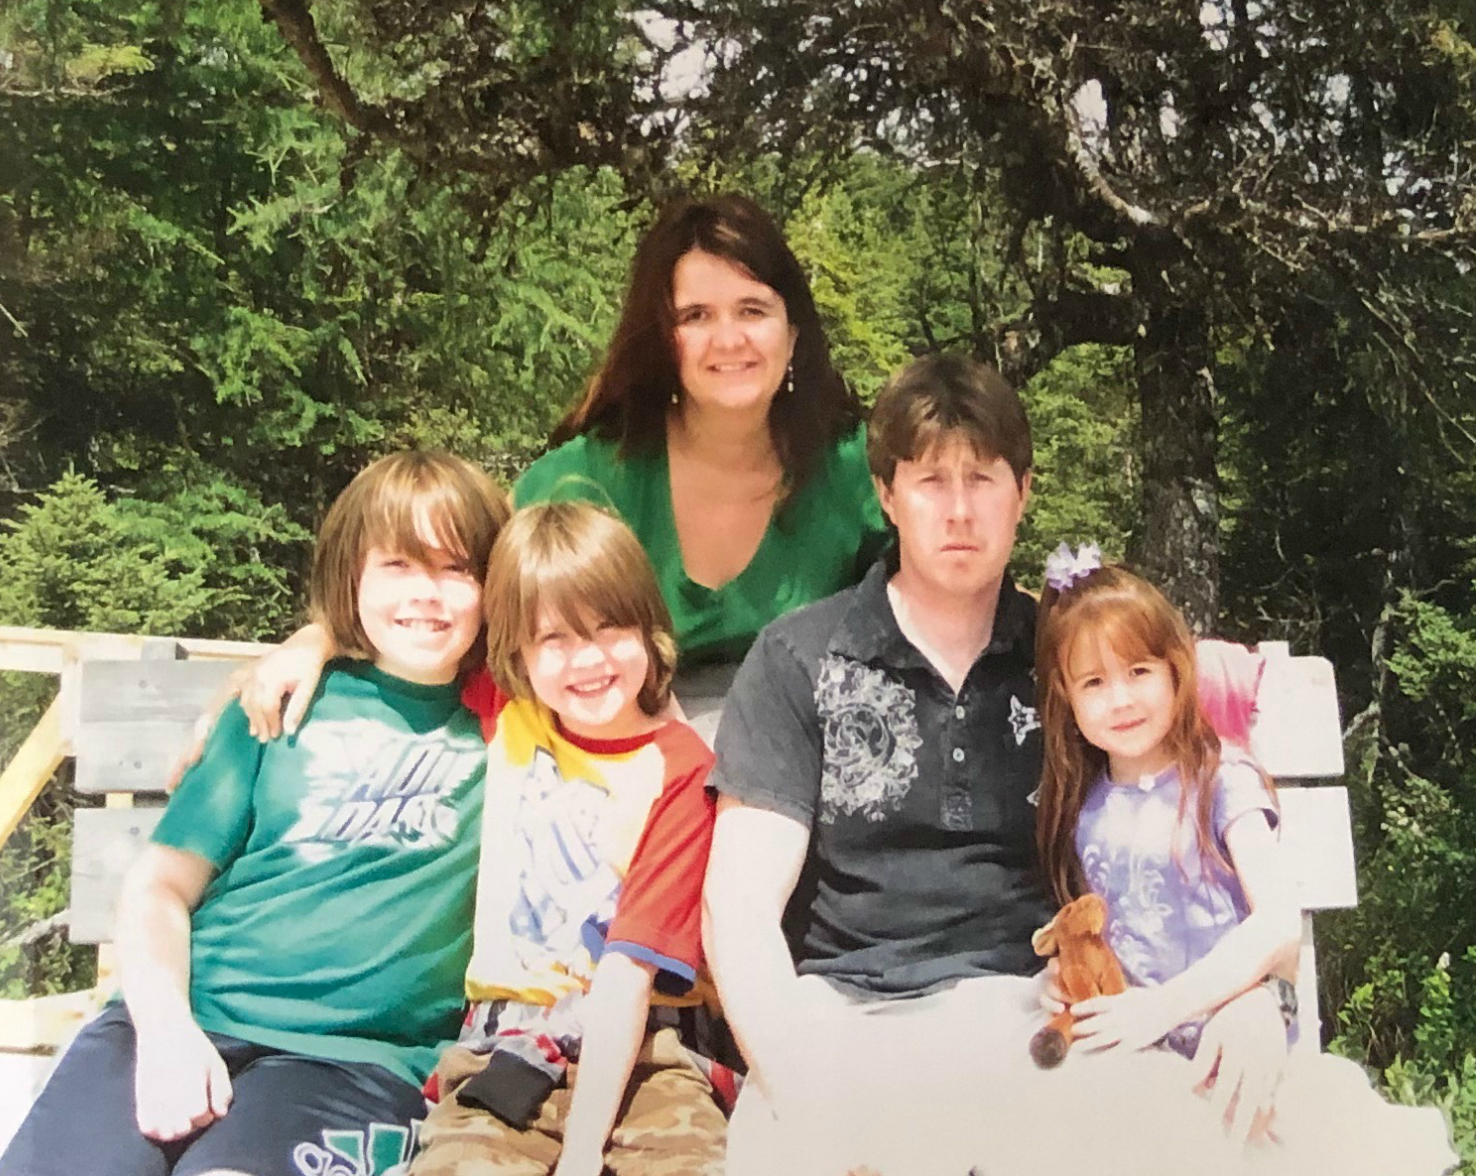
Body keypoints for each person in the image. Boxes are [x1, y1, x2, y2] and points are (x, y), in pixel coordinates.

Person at [701, 353, 1301, 1176]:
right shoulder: (801, 659)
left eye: (982, 480)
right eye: (929, 481)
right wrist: (798, 1086)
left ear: (1022, 492)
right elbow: (738, 913)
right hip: (843, 1015)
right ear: (886, 494)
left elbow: (1201, 834)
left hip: (1034, 1012)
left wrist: (1257, 1000)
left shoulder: (1077, 664)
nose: (957, 511)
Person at [0, 450, 510, 1176]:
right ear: (352, 576)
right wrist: (167, 1030)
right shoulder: (275, 705)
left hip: (356, 1064)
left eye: (458, 569)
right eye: (398, 565)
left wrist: (316, 635)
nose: (426, 594)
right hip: (181, 1012)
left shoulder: (516, 722)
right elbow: (160, 887)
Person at [233, 194, 889, 744]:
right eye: (696, 316)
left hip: (799, 770)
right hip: (623, 774)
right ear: (664, 340)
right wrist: (319, 639)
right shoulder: (588, 478)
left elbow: (941, 598)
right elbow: (459, 584)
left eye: (752, 310)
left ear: (793, 331)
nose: (729, 339)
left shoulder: (857, 469)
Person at [1021, 550, 1459, 1176]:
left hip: (1232, 1040)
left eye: (1138, 671)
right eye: (1094, 682)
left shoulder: (1219, 779)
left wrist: (1171, 1006)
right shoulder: (1087, 804)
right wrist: (1070, 989)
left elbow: (1278, 921)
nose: (1120, 698)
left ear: (1176, 668)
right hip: (1139, 1055)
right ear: (1066, 695)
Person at [410, 501, 725, 1176]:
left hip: (650, 1059)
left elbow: (627, 973)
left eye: (609, 628)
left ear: (648, 626)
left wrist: (582, 1153)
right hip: (506, 1050)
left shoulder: (681, 770)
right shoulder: (513, 714)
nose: (586, 661)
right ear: (518, 653)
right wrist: (309, 644)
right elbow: (411, 631)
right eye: (553, 638)